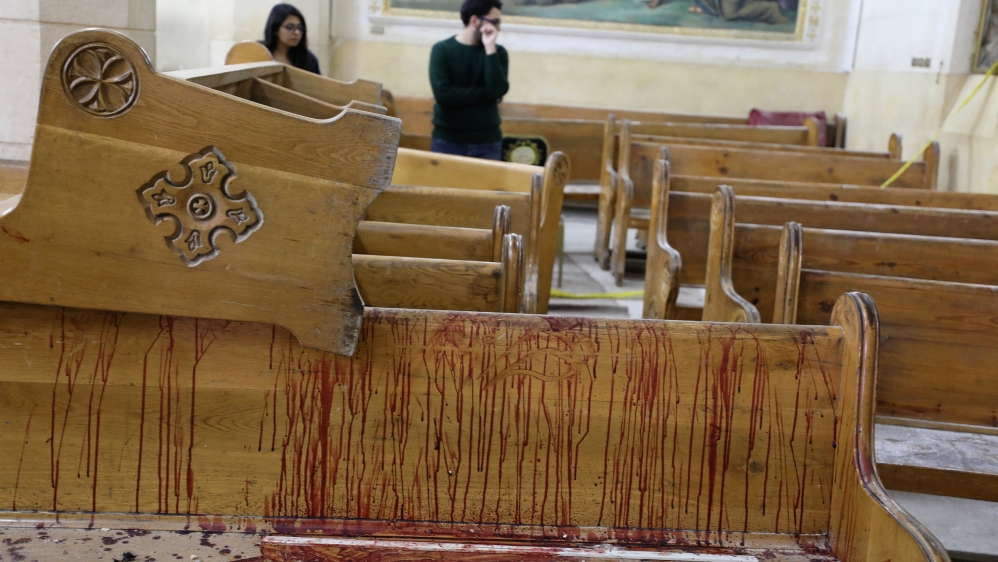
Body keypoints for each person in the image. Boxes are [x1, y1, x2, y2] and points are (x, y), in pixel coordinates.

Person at [428, 0, 509, 160]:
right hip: (447, 141)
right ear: (474, 20)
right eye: (495, 22)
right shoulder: (442, 49)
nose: (498, 28)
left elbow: (497, 90)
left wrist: (489, 48)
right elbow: (444, 95)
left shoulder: (498, 52)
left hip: (488, 142)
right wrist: (486, 94)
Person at [262, 4, 321, 74]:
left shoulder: (308, 59)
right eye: (290, 27)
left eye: (300, 28)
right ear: (275, 29)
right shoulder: (258, 52)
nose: (297, 32)